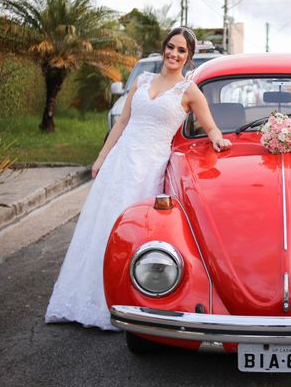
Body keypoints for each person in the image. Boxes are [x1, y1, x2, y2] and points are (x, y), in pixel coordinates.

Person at [45, 27, 231, 330]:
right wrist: (102, 157)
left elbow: (210, 127)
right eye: (171, 47)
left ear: (189, 57)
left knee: (134, 233)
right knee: (101, 225)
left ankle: (130, 300)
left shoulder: (189, 91)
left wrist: (218, 140)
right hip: (122, 160)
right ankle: (83, 298)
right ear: (163, 48)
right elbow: (122, 123)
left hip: (149, 166)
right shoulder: (143, 81)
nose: (174, 54)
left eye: (181, 50)